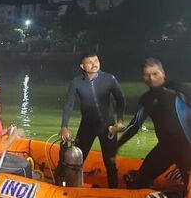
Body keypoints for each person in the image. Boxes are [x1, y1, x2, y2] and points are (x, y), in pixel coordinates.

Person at [118, 58, 191, 190]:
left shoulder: (178, 89)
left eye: (155, 73)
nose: (151, 78)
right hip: (164, 149)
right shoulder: (146, 99)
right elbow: (135, 125)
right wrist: (117, 145)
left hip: (187, 149)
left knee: (189, 191)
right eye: (147, 75)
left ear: (163, 72)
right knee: (138, 183)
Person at [59, 52, 125, 188]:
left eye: (96, 60)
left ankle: (114, 191)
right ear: (83, 66)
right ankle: (68, 186)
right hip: (87, 127)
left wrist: (120, 120)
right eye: (89, 62)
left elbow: (120, 99)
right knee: (76, 159)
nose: (94, 64)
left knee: (110, 162)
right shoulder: (76, 83)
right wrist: (64, 126)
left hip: (108, 127)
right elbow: (69, 104)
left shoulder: (109, 79)